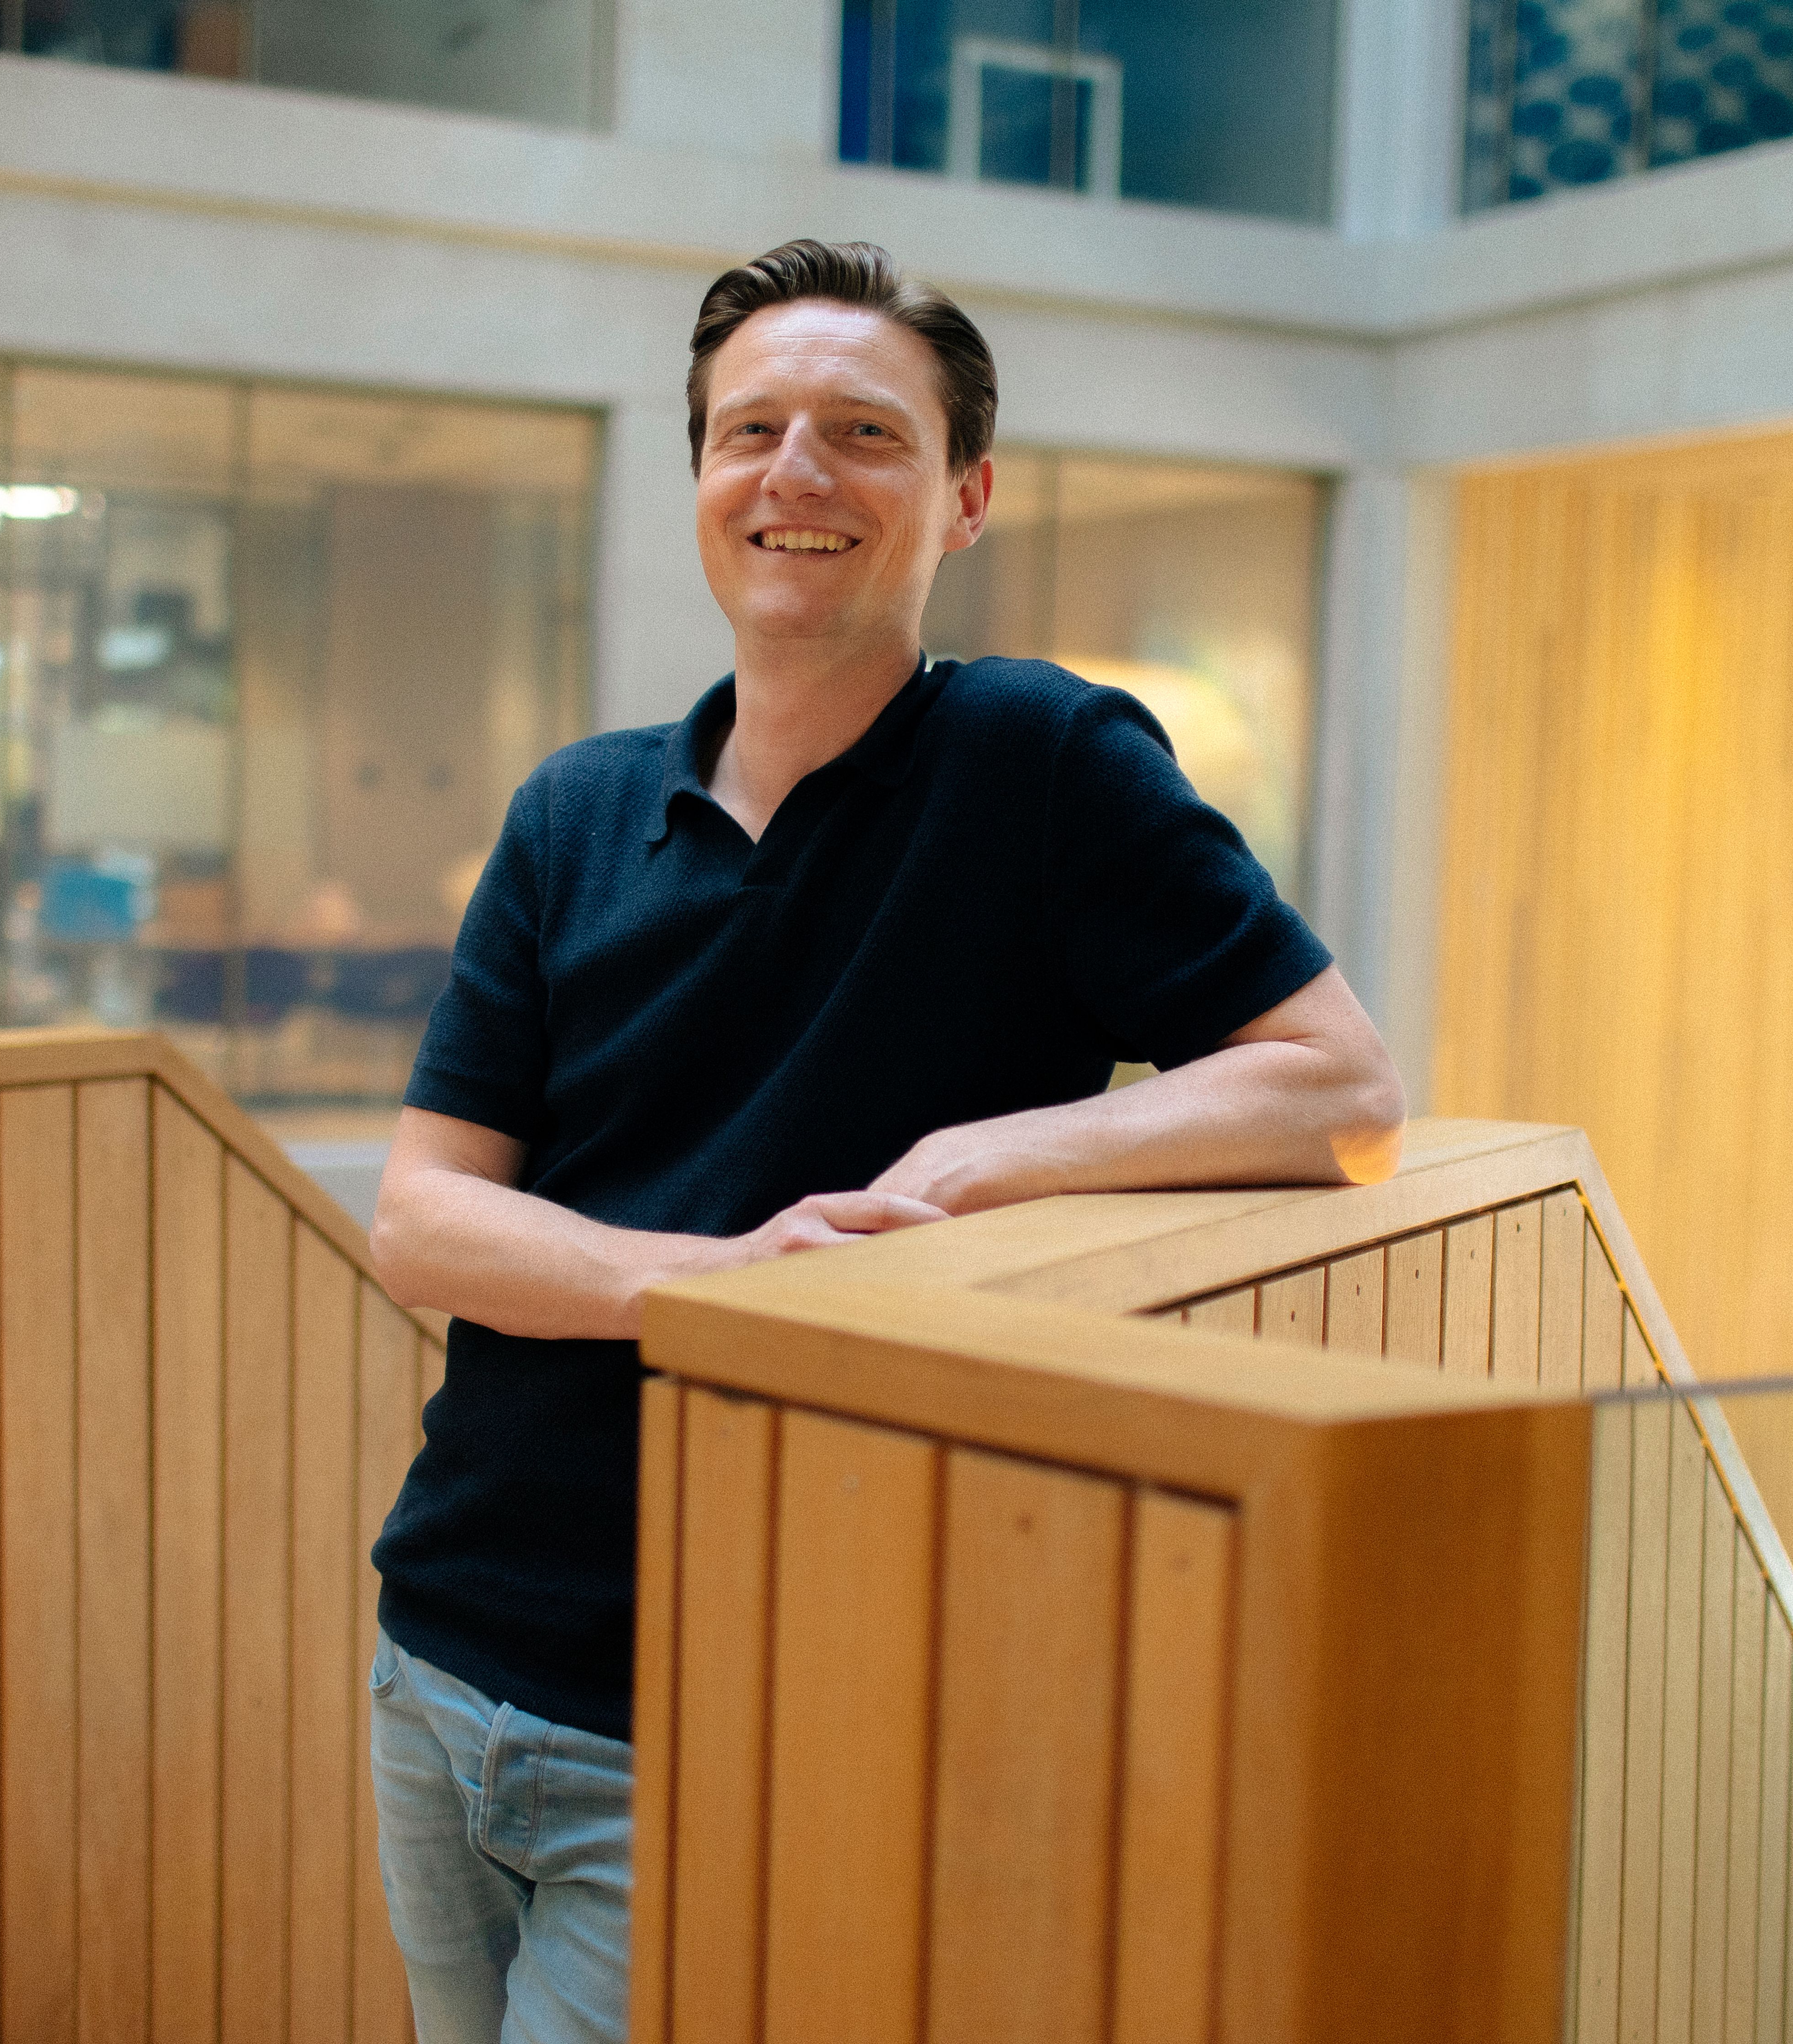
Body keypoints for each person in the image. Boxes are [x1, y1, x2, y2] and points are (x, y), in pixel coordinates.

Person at [360, 238, 1406, 2044]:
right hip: (441, 1655)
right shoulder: (576, 808)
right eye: (749, 430)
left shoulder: (1042, 758)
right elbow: (424, 1220)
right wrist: (719, 1274)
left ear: (966, 498)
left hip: (732, 1689)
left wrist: (981, 1158)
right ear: (699, 482)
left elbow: (1339, 1089)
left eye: (865, 433)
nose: (797, 475)